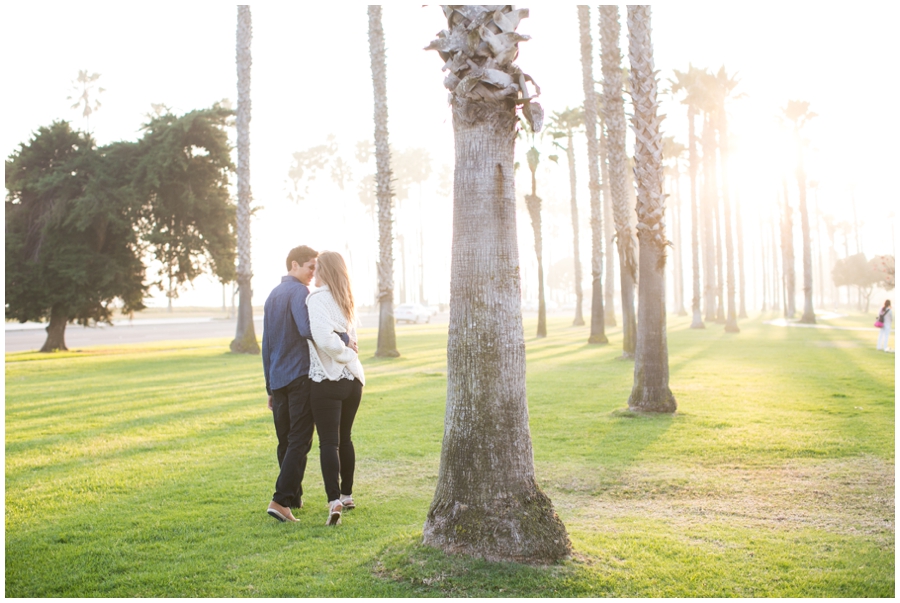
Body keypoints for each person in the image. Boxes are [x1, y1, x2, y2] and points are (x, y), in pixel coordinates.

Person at [262, 245, 353, 522]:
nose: (314, 273)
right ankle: (281, 501)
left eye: (317, 268)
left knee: (286, 440)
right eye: (310, 267)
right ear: (294, 265)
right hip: (300, 376)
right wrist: (345, 339)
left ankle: (294, 497)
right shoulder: (300, 292)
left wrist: (268, 387)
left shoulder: (272, 295)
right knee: (300, 439)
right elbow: (308, 329)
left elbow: (266, 345)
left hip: (277, 379)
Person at [306, 251, 365, 526]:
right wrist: (349, 353)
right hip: (353, 381)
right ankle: (347, 494)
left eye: (317, 269)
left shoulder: (317, 299)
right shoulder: (346, 298)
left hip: (329, 378)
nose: (313, 275)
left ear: (325, 271)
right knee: (345, 439)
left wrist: (343, 354)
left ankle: (334, 501)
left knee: (329, 441)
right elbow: (349, 340)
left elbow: (325, 340)